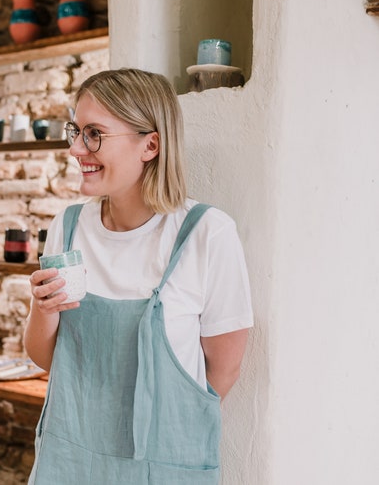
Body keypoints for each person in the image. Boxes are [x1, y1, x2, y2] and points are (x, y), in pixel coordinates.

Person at [24, 68, 253, 485]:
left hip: (162, 466)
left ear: (150, 144)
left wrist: (170, 438)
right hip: (69, 459)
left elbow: (224, 370)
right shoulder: (67, 228)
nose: (77, 148)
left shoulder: (206, 234)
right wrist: (44, 309)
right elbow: (46, 358)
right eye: (75, 131)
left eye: (94, 133)